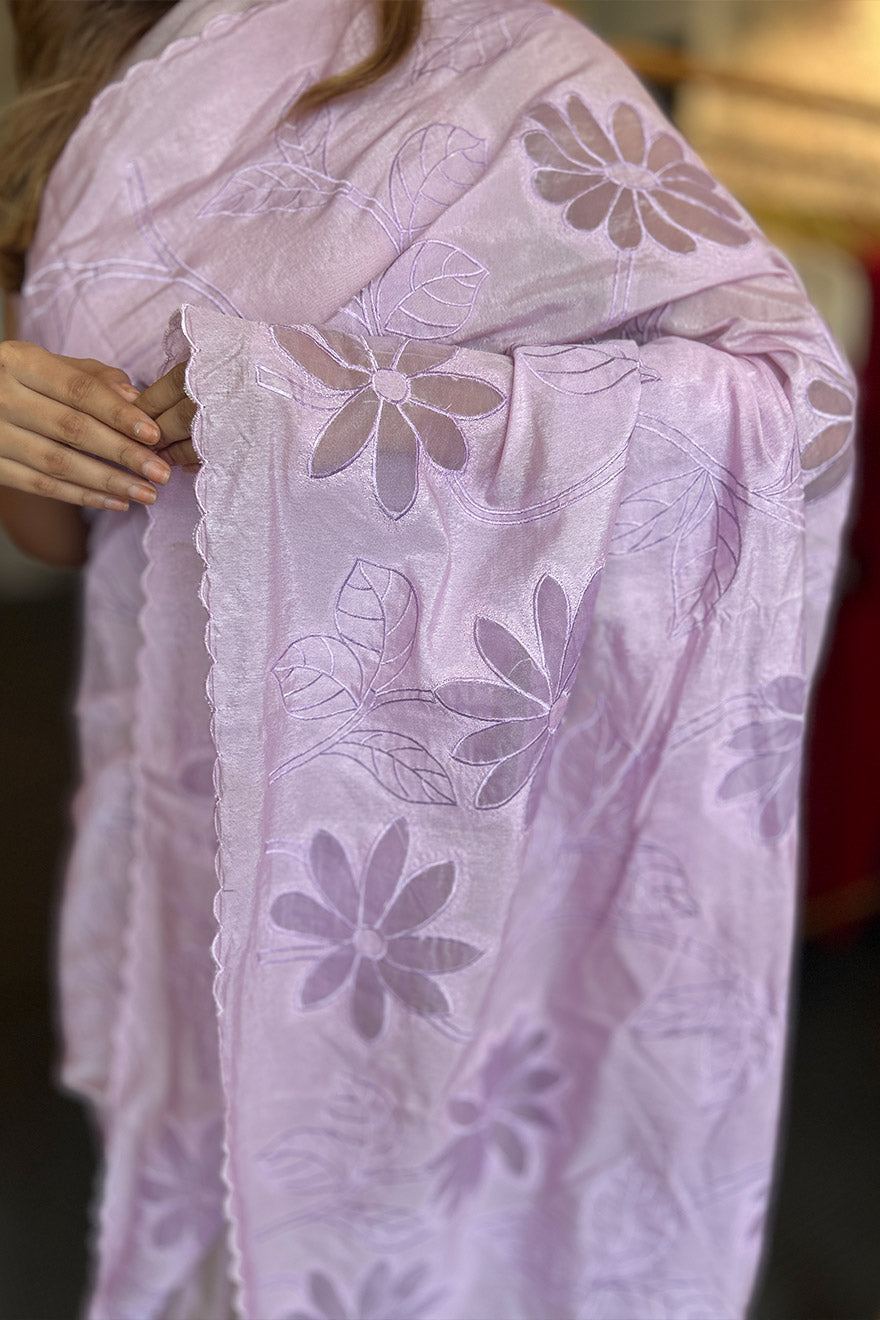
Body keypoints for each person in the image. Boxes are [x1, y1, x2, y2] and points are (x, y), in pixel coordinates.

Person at [0, 1, 856, 1317]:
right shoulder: (84, 76)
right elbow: (67, 527)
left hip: (471, 826)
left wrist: (326, 411)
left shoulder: (503, 62)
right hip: (203, 803)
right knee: (235, 1200)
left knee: (448, 1203)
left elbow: (783, 409)